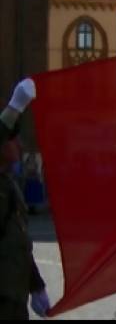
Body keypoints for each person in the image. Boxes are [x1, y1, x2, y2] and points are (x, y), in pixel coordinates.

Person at [0, 78, 50, 319]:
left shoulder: (10, 186)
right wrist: (13, 110)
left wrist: (36, 285)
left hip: (13, 299)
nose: (19, 146)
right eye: (12, 140)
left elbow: (19, 244)